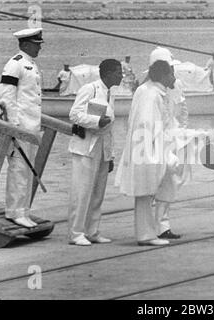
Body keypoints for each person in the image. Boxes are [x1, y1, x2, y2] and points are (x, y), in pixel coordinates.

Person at [115, 60, 178, 246]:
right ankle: (146, 235)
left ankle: (149, 232)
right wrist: (151, 155)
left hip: (150, 149)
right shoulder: (152, 96)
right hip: (148, 151)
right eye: (172, 74)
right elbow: (146, 125)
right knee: (145, 193)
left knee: (149, 192)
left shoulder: (148, 91)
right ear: (164, 76)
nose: (174, 78)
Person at [67, 59, 123, 246]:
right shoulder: (89, 89)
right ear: (107, 74)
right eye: (118, 72)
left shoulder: (110, 93)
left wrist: (111, 155)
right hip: (85, 147)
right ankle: (76, 233)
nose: (121, 76)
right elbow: (74, 114)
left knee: (98, 192)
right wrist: (96, 121)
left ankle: (92, 231)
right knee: (82, 191)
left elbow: (110, 128)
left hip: (102, 146)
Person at [0, 27, 45, 228]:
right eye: (36, 45)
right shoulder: (14, 64)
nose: (39, 49)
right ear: (26, 44)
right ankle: (14, 212)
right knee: (18, 169)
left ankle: (23, 211)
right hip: (21, 127)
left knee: (27, 169)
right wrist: (13, 126)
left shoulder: (30, 65)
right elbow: (6, 97)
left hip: (31, 127)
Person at [148, 46, 189, 240]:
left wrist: (182, 132)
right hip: (157, 140)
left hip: (174, 137)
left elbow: (182, 109)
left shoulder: (176, 84)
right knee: (155, 183)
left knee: (172, 182)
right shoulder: (148, 90)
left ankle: (163, 225)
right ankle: (154, 226)